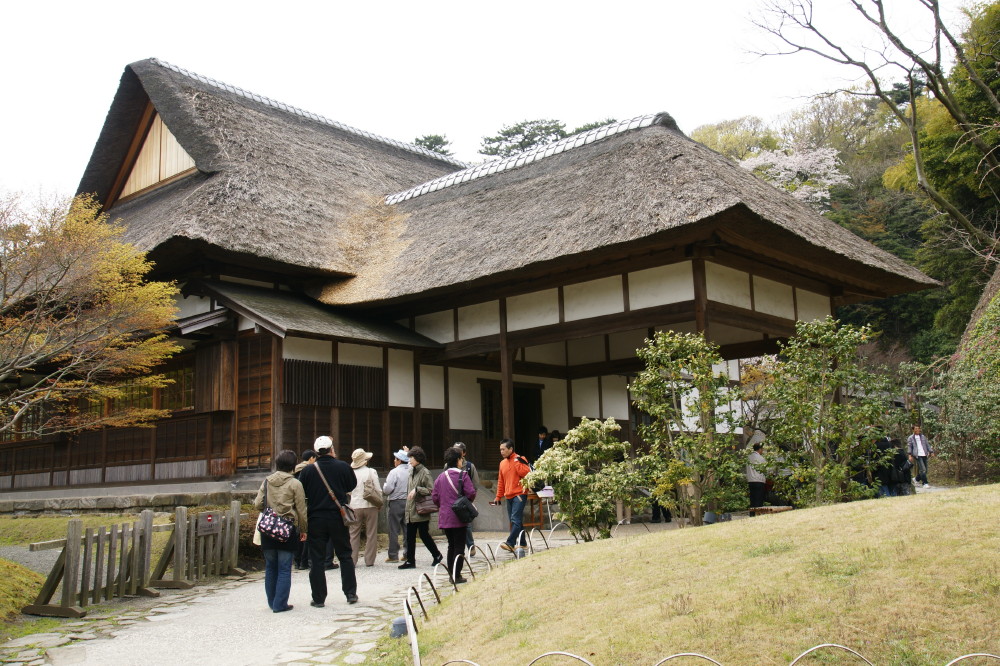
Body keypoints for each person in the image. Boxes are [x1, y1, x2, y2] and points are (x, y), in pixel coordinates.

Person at [297, 435, 358, 606]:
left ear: (316, 452)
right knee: (345, 555)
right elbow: (351, 485)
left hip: (316, 517)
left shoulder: (308, 470)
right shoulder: (343, 466)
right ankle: (350, 594)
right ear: (332, 449)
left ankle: (318, 598)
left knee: (316, 558)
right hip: (338, 516)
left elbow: (303, 492)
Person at [253, 449, 308, 613]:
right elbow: (301, 509)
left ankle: (272, 602)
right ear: (293, 465)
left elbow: (257, 504)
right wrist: (304, 529)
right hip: (287, 528)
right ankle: (280, 604)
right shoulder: (295, 484)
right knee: (284, 567)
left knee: (270, 567)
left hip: (268, 528)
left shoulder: (267, 482)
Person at [432, 447, 477, 583]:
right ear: (458, 460)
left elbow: (435, 497)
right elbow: (471, 493)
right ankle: (456, 575)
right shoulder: (462, 475)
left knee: (451, 545)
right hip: (459, 516)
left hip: (445, 516)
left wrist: (444, 504)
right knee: (459, 546)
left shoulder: (440, 477)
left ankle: (451, 574)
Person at [399, 446, 444, 569]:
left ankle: (436, 555)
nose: (409, 460)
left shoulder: (424, 472)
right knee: (410, 536)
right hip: (411, 508)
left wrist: (417, 489)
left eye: (411, 458)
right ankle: (411, 561)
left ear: (418, 459)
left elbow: (431, 490)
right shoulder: (412, 470)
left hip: (421, 509)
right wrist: (408, 452)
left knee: (423, 535)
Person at [492, 438, 531, 557]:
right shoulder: (502, 463)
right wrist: (498, 496)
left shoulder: (520, 459)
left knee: (515, 519)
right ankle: (523, 543)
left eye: (503, 449)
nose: (501, 452)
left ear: (510, 449)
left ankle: (510, 542)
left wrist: (516, 462)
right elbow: (501, 481)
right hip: (508, 495)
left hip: (520, 493)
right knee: (515, 520)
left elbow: (527, 473)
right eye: (500, 449)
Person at [348, 448, 381, 567]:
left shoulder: (350, 472)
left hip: (355, 505)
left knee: (353, 533)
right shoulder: (371, 472)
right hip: (370, 504)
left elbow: (348, 490)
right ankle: (369, 560)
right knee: (371, 532)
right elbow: (377, 489)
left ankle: (352, 560)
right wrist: (379, 503)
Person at [382, 448, 410, 563]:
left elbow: (388, 489)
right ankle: (408, 553)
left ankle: (393, 555)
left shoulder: (394, 472)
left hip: (396, 502)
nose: (394, 461)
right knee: (407, 529)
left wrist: (384, 487)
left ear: (399, 461)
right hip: (408, 501)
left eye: (395, 459)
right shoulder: (411, 470)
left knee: (393, 529)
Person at [452, 442, 479, 550]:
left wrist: (471, 498)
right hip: (452, 497)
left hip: (465, 499)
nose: (455, 452)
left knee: (466, 523)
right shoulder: (447, 465)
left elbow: (475, 483)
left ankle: (471, 545)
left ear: (464, 453)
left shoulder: (469, 466)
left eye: (458, 450)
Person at [293, 450, 317, 570]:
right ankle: (304, 561)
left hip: (295, 506)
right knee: (306, 533)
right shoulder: (309, 470)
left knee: (298, 534)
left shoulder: (295, 470)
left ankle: (297, 561)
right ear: (312, 458)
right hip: (306, 504)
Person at [746, 443, 766, 515]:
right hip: (759, 481)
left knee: (753, 499)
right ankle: (758, 514)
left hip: (751, 481)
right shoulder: (761, 458)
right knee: (759, 499)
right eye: (762, 449)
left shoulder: (749, 457)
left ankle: (752, 514)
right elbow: (766, 469)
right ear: (760, 449)